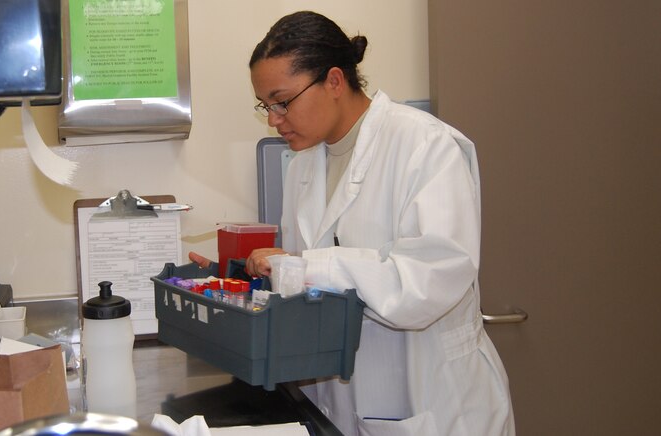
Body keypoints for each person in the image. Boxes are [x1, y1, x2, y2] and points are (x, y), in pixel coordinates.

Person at [190, 10, 515, 436]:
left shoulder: (425, 147)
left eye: (282, 101)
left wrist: (309, 266)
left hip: (432, 401)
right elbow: (304, 287)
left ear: (335, 81)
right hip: (338, 400)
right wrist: (231, 285)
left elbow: (427, 283)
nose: (272, 118)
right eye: (265, 105)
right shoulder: (303, 167)